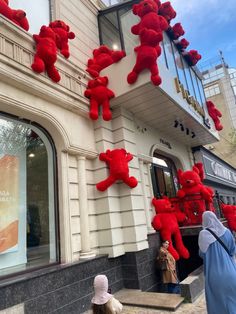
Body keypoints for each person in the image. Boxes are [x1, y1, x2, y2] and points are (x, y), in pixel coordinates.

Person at [198, 211, 236, 314]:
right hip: (231, 273)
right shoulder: (227, 231)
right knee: (233, 303)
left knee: (217, 305)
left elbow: (202, 254)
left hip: (213, 276)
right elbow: (233, 250)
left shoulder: (203, 235)